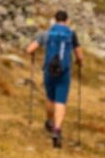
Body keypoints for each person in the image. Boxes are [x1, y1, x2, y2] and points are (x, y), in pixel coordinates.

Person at [26, 10, 83, 148]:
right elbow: (79, 55)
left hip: (49, 70)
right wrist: (79, 62)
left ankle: (49, 121)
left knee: (50, 98)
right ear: (67, 20)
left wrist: (34, 53)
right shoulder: (71, 34)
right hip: (64, 72)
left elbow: (30, 49)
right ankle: (57, 129)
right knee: (61, 101)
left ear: (54, 19)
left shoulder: (46, 33)